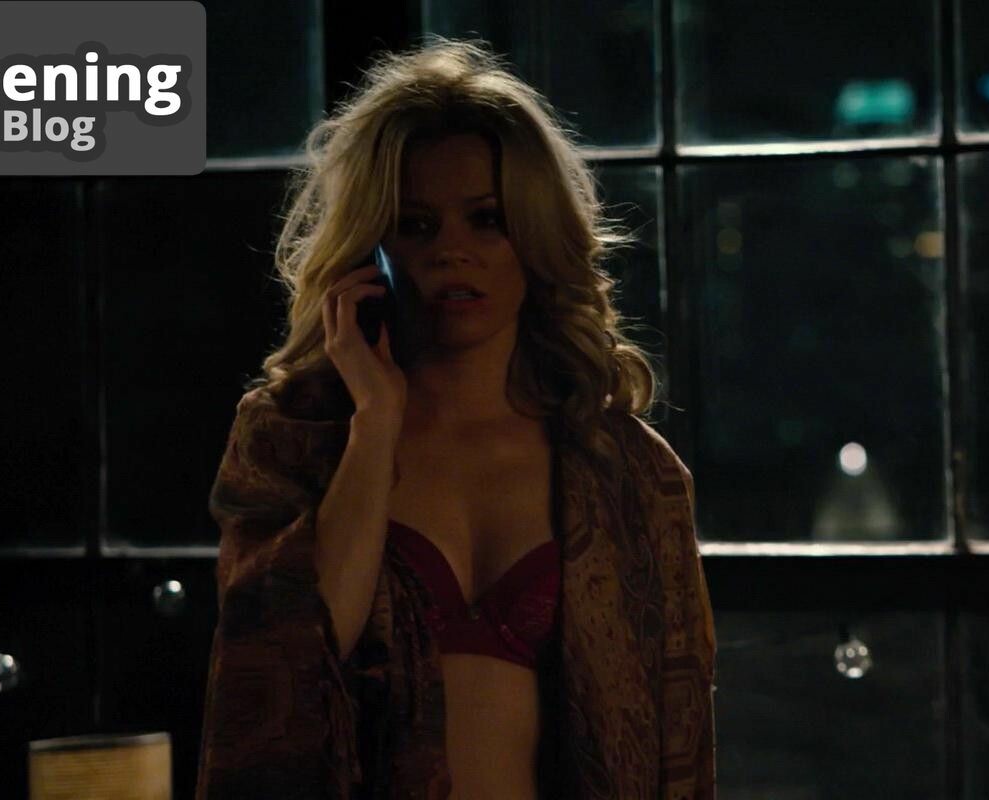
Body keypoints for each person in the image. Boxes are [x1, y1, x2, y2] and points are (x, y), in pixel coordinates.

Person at [194, 37, 716, 800]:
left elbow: (678, 740)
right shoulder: (291, 439)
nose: (452, 254)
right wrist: (375, 423)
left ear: (534, 235)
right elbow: (290, 672)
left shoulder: (628, 470)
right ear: (370, 249)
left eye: (487, 220)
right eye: (416, 226)